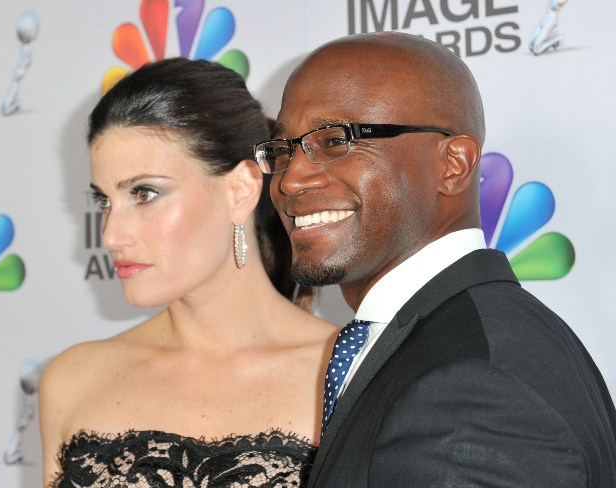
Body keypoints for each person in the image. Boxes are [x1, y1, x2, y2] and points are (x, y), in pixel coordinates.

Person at [255, 31, 616, 487]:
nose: (291, 180)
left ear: (455, 165)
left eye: (335, 141)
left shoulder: (473, 388)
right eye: (284, 149)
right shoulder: (462, 337)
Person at [40, 58, 337, 488]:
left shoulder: (347, 377)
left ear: (241, 189)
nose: (111, 235)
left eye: (144, 193)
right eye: (103, 201)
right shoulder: (71, 381)